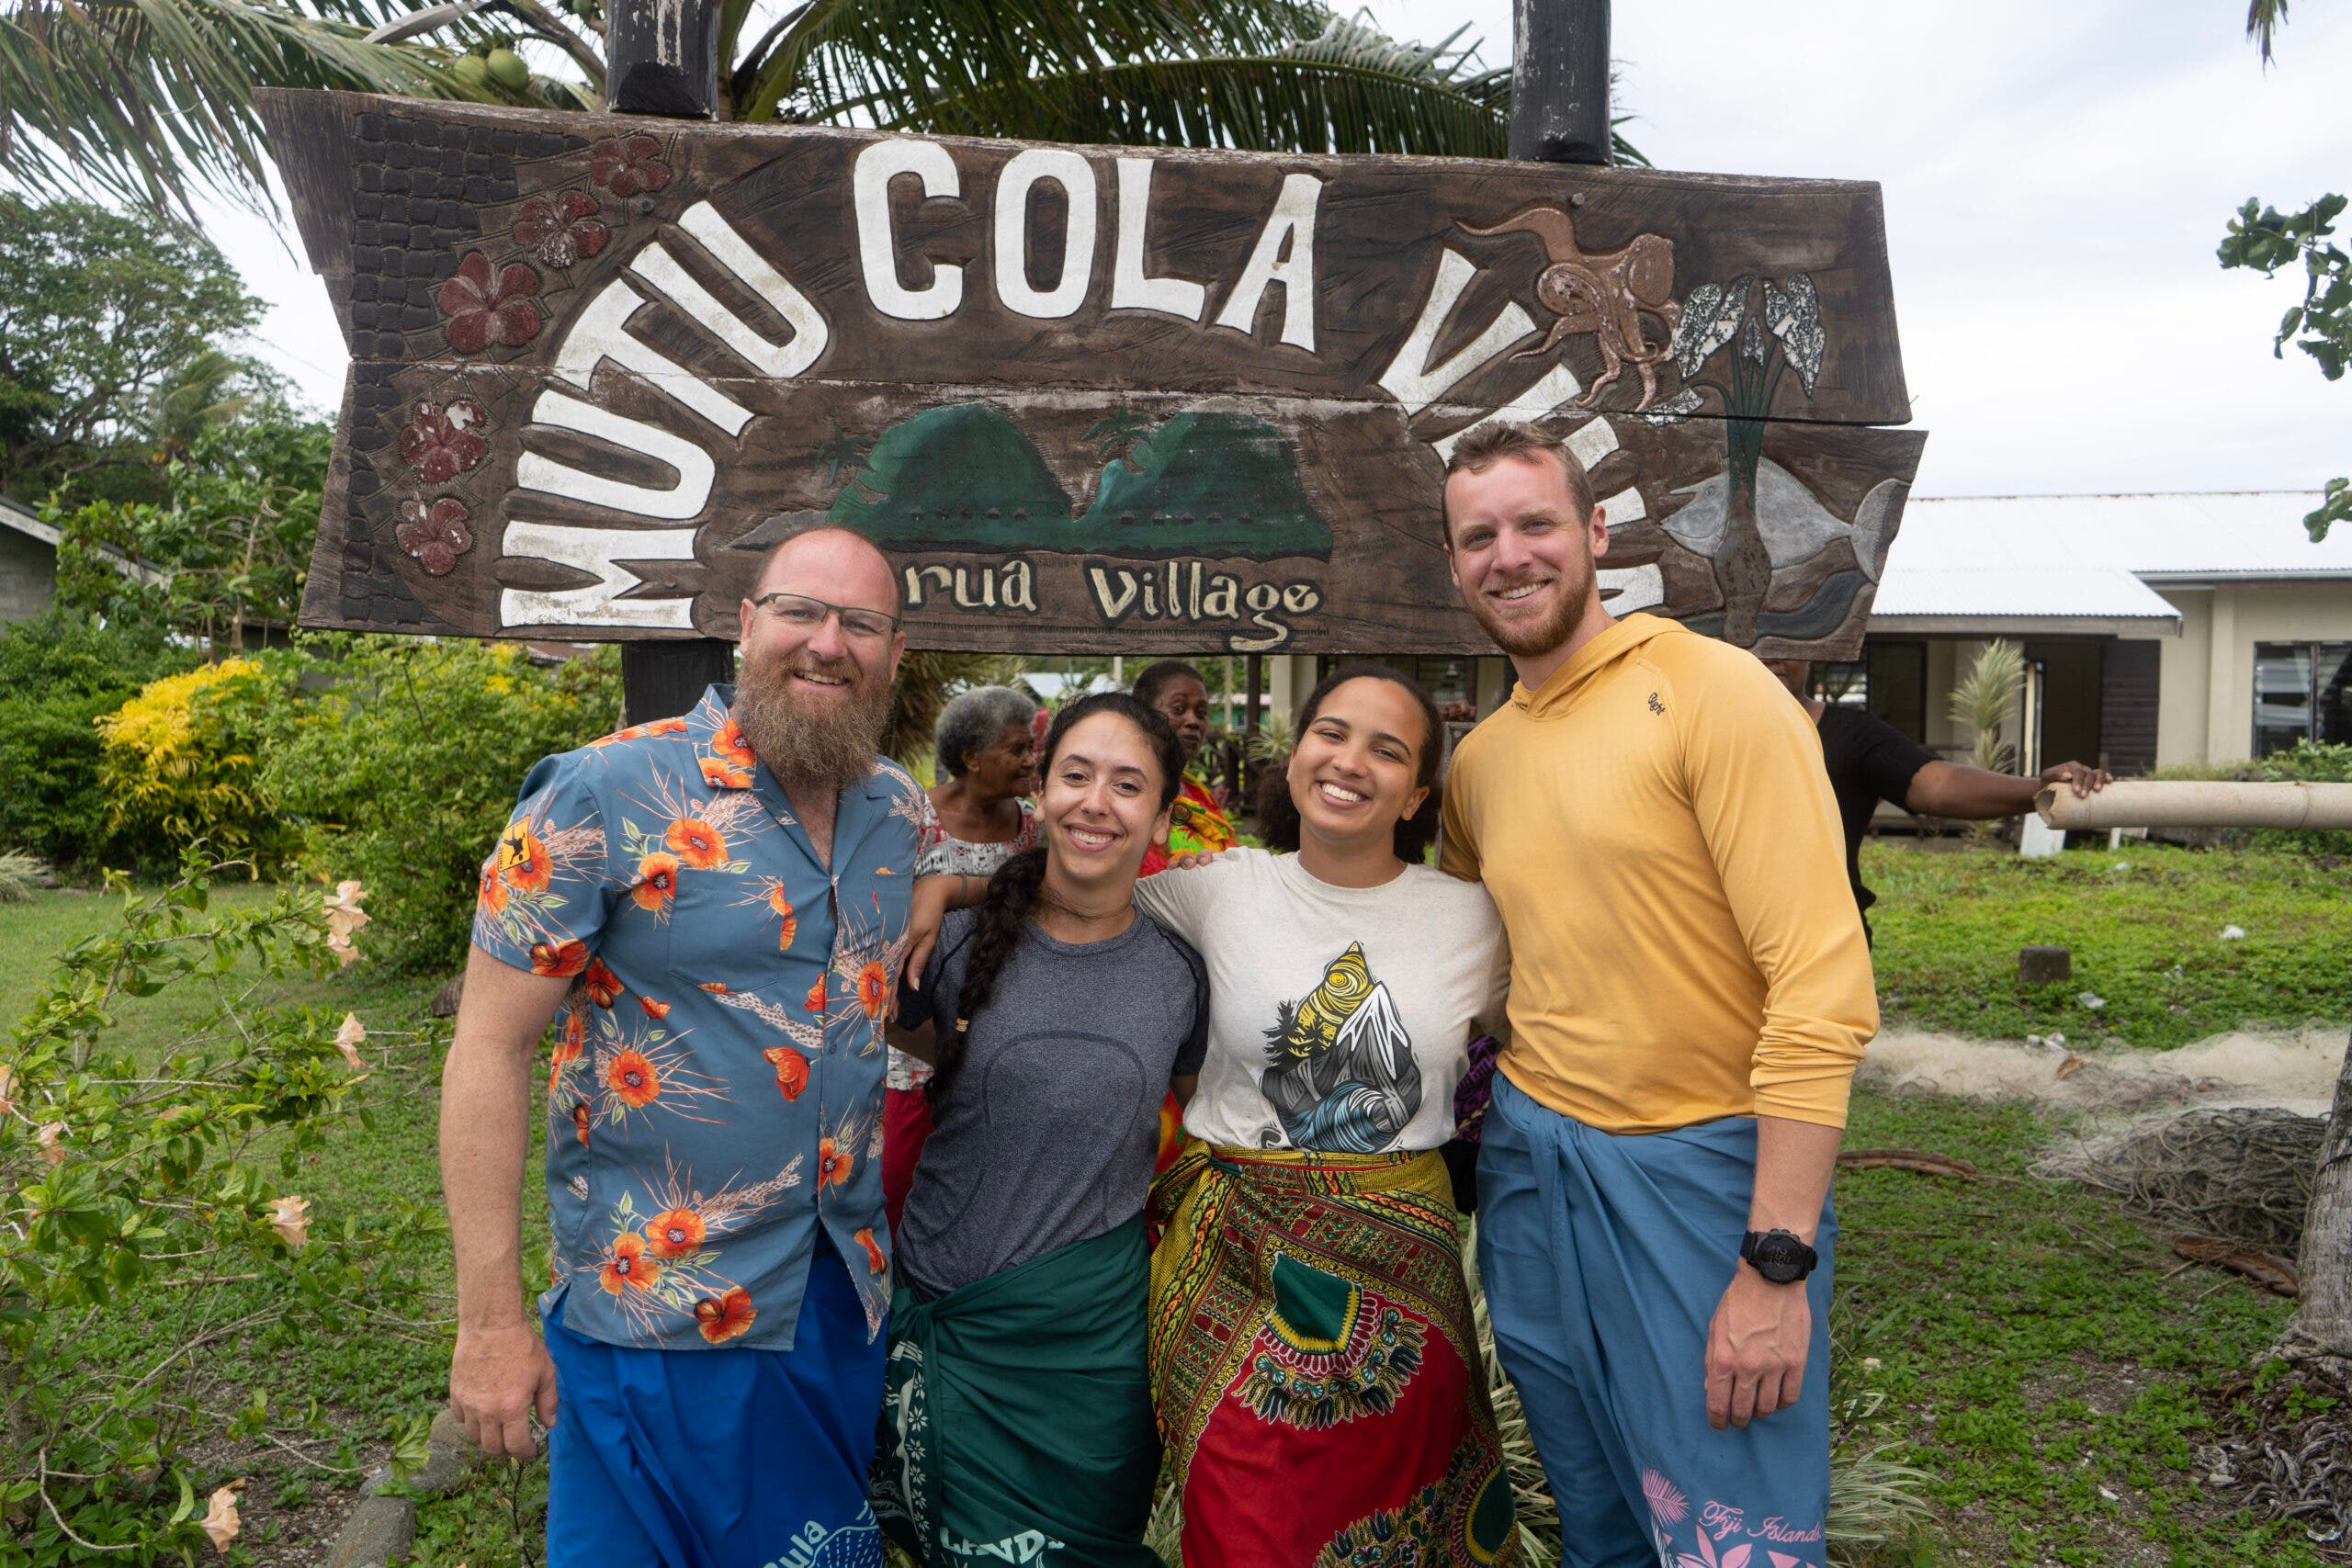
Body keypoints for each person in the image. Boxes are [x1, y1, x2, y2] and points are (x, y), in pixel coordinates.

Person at [1435, 423, 1879, 1568]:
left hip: (1705, 1177)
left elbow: (1820, 986)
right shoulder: (1480, 762)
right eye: (1478, 536)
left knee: (1734, 1535)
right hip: (1537, 1170)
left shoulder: (1709, 695)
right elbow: (1471, 966)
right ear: (1453, 565)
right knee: (1598, 1513)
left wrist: (1775, 1266)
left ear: (1594, 534)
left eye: (1536, 524)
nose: (1510, 556)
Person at [442, 526, 924, 1567]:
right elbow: (487, 1046)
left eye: (862, 623)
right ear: (746, 626)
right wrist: (487, 1324)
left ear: (894, 652)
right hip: (647, 1314)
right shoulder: (600, 793)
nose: (828, 643)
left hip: (834, 1300)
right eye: (801, 610)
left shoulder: (897, 811)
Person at [1133, 665, 1520, 1568]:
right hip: (1231, 1265)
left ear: (1419, 791)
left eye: (1387, 750)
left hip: (1398, 1286)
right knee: (1243, 1533)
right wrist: (943, 883)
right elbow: (1067, 892)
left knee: (1400, 1534)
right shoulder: (1214, 887)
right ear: (1298, 749)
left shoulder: (1474, 921)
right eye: (1331, 733)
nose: (1349, 762)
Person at [875, 693, 1207, 1567]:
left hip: (1091, 1355)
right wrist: (945, 887)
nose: (1097, 801)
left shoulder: (1182, 972)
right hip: (949, 1317)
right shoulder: (942, 942)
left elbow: (1212, 1130)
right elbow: (870, 1085)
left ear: (1163, 814)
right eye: (1076, 774)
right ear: (1043, 790)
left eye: (1128, 784)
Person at [1761, 660, 2113, 939]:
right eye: (1756, 636)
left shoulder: (1851, 734)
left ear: (1815, 645)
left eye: (1789, 635)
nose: (1772, 653)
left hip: (1822, 947)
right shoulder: (1705, 730)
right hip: (1717, 957)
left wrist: (2040, 787)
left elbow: (1939, 784)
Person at [881, 686, 1041, 1235]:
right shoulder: (910, 817)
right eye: (1016, 748)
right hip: (916, 1034)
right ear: (971, 757)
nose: (1030, 760)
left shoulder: (1034, 827)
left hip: (1004, 1024)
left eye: (1031, 747)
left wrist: (952, 888)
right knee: (900, 1182)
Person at [1132, 660, 1238, 875]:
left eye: (1200, 713)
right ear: (1142, 713)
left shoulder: (1199, 794)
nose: (1193, 721)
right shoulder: (1126, 791)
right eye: (1179, 709)